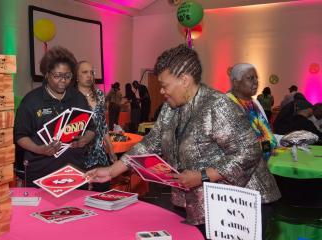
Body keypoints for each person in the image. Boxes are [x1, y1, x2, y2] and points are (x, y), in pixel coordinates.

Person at [88, 45, 280, 236]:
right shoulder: (170, 108)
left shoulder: (218, 105)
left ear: (185, 80)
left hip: (240, 203)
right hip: (205, 202)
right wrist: (112, 171)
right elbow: (149, 144)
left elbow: (249, 151)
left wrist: (203, 175)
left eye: (165, 85)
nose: (162, 91)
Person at [14, 46, 95, 186]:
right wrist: (40, 149)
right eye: (57, 76)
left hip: (74, 171)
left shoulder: (78, 98)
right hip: (41, 173)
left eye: (68, 76)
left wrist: (85, 139)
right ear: (46, 74)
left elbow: (92, 129)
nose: (63, 80)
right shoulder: (31, 101)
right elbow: (20, 136)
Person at [75, 61, 117, 192]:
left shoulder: (99, 95)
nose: (89, 75)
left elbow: (103, 123)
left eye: (91, 72)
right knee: (81, 194)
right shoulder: (71, 96)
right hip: (80, 154)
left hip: (99, 153)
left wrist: (110, 148)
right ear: (76, 76)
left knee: (102, 191)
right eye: (84, 72)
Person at [227, 64, 278, 161]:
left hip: (262, 163)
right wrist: (267, 147)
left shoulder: (253, 103)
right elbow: (241, 146)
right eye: (250, 78)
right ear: (236, 83)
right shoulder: (227, 104)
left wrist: (269, 147)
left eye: (256, 78)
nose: (256, 82)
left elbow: (266, 134)